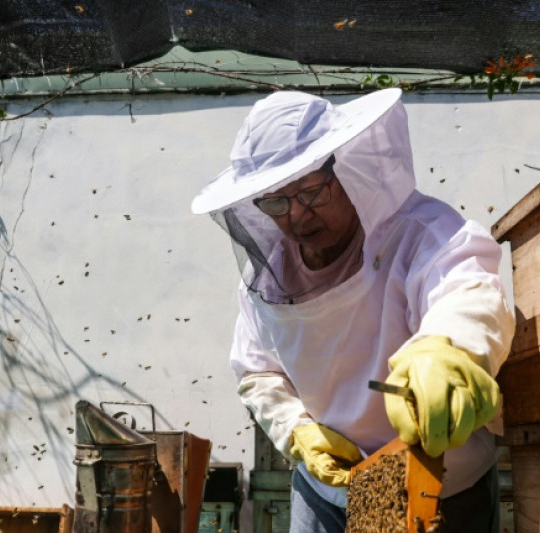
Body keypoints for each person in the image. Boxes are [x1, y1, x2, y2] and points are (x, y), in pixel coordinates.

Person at [191, 89, 515, 533]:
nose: (296, 216)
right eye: (275, 202)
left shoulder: (418, 233)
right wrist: (296, 432)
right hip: (327, 491)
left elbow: (465, 288)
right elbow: (256, 371)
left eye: (309, 191)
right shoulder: (267, 276)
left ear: (347, 170)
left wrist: (448, 349)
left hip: (443, 484)